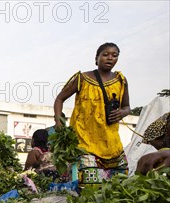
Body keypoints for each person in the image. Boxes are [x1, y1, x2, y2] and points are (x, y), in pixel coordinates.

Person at [53, 42, 130, 188]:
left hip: (111, 142)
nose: (110, 58)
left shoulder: (121, 80)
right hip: (85, 141)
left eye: (114, 55)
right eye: (105, 54)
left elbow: (127, 107)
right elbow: (59, 99)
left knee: (120, 185)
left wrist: (122, 112)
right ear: (97, 58)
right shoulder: (82, 79)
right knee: (90, 186)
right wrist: (58, 121)